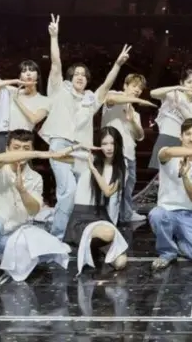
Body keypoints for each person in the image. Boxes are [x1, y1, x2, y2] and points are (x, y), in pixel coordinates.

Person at [40, 13, 131, 239]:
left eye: (83, 74)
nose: (80, 76)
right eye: (76, 73)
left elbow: (107, 84)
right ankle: (57, 237)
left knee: (85, 193)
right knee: (68, 191)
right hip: (60, 146)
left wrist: (118, 64)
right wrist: (54, 36)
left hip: (82, 151)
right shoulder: (59, 89)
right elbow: (56, 63)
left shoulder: (91, 99)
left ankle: (80, 232)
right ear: (70, 77)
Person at [0, 130, 73, 298]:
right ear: (7, 149)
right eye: (16, 148)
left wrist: (22, 191)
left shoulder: (35, 177)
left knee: (50, 250)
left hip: (11, 235)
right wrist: (41, 153)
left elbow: (34, 210)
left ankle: (1, 256)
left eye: (25, 148)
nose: (21, 152)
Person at [148, 118, 192, 270]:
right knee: (156, 214)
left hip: (190, 214)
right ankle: (167, 253)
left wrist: (186, 176)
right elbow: (168, 152)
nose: (191, 138)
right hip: (166, 211)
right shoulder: (168, 153)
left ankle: (180, 245)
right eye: (187, 134)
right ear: (180, 136)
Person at [62, 127, 130, 273]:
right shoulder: (87, 159)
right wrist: (79, 146)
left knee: (121, 262)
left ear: (118, 144)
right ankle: (86, 243)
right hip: (81, 216)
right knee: (108, 233)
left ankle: (92, 247)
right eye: (104, 143)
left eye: (112, 143)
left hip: (100, 216)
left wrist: (93, 169)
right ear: (98, 145)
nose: (109, 147)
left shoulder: (121, 169)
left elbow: (107, 191)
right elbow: (56, 156)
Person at [102, 73, 156, 223]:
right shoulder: (115, 95)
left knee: (128, 187)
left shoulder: (135, 113)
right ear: (125, 86)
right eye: (134, 86)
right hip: (114, 152)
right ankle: (108, 219)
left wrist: (132, 121)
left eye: (140, 88)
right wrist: (137, 100)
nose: (137, 90)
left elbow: (140, 136)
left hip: (130, 153)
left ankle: (126, 214)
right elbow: (110, 99)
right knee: (113, 188)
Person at [0, 60, 50, 161]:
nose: (28, 73)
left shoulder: (45, 100)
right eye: (24, 71)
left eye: (31, 70)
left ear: (38, 75)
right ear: (20, 76)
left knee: (19, 172)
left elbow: (34, 119)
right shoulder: (11, 91)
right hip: (2, 136)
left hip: (22, 140)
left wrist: (17, 101)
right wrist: (16, 82)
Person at [148, 69, 192, 175]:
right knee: (158, 180)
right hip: (166, 139)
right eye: (189, 82)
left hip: (185, 144)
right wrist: (176, 88)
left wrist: (181, 108)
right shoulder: (173, 95)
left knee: (180, 178)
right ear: (182, 83)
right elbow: (152, 93)